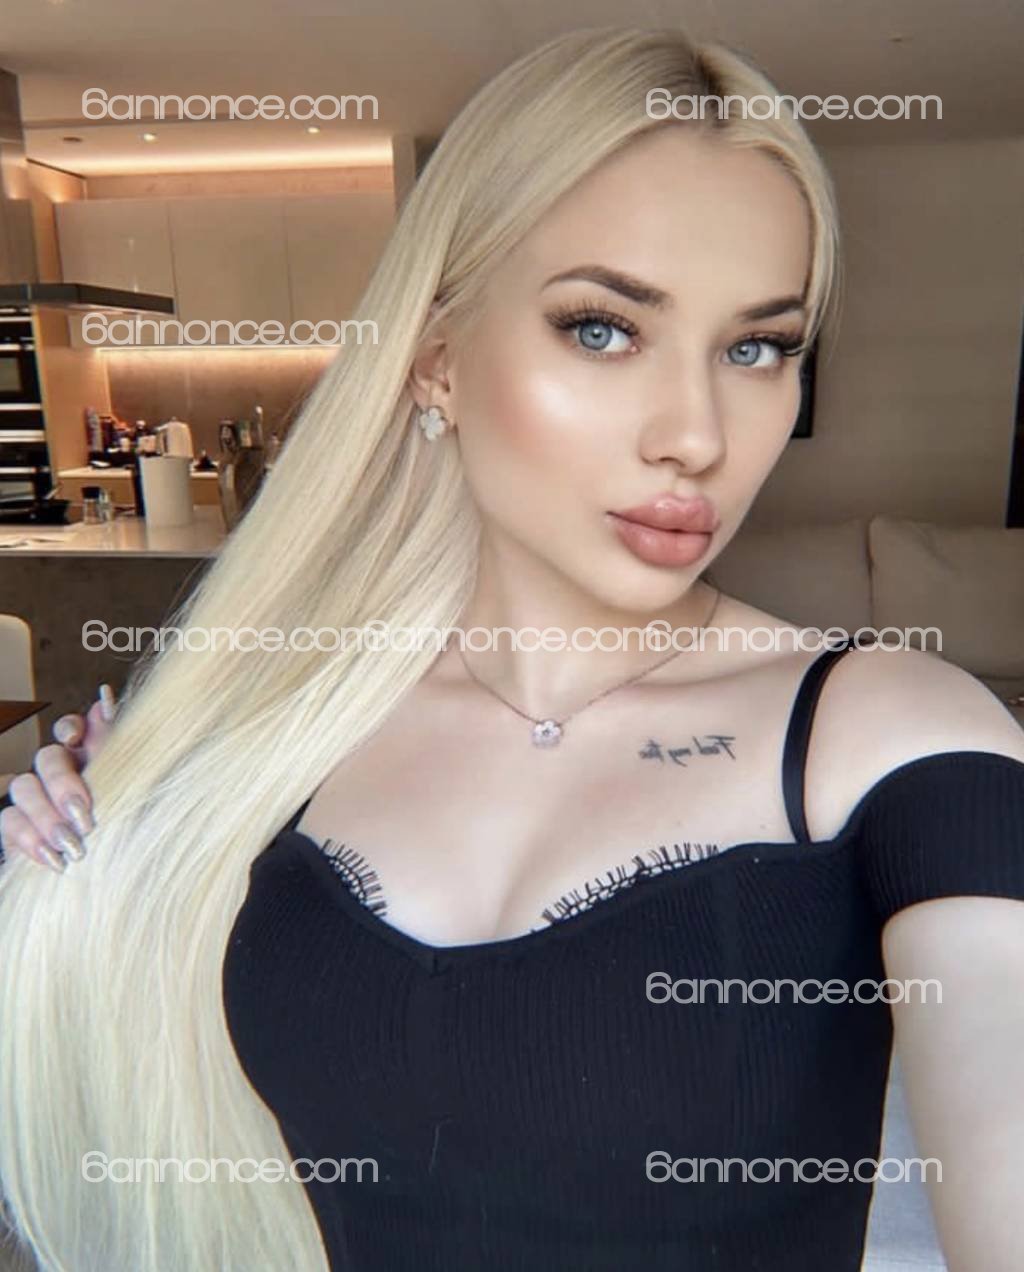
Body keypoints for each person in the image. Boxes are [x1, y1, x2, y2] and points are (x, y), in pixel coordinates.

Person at [1, 24, 1023, 1272]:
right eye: (602, 329)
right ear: (436, 361)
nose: (697, 435)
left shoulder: (886, 735)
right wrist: (90, 862)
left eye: (757, 348)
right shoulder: (285, 727)